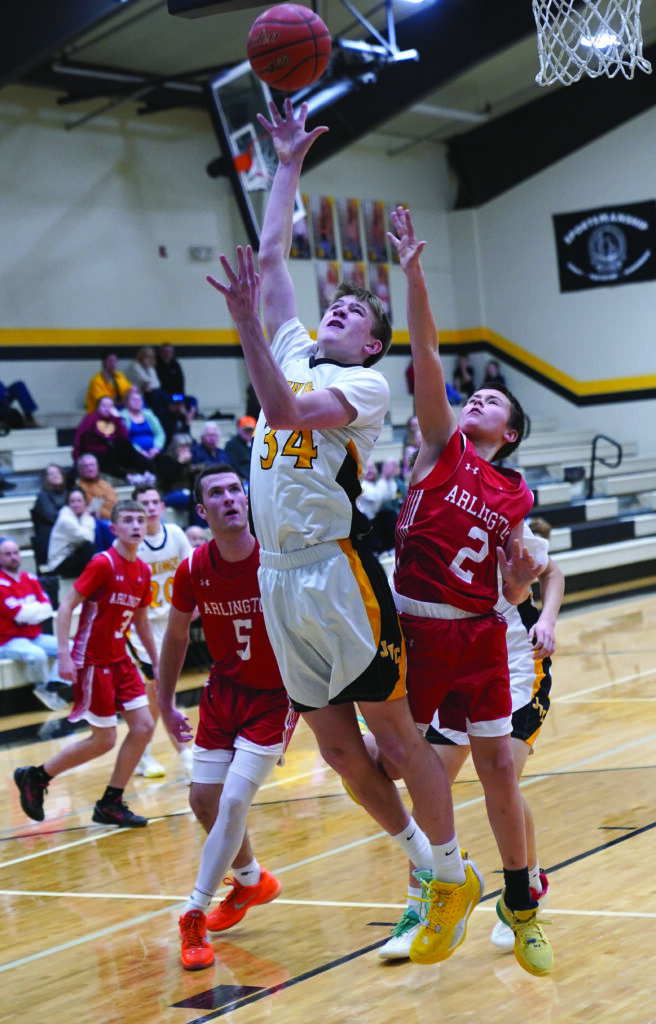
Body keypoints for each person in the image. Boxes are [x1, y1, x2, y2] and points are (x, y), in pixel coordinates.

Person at [207, 98, 480, 969]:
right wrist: (285, 160)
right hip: (277, 580)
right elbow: (277, 253)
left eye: (357, 316)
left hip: (337, 576)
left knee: (394, 738)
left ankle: (451, 871)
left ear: (372, 347)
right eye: (338, 308)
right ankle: (427, 873)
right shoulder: (291, 345)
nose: (338, 312)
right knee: (333, 749)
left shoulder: (364, 394)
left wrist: (247, 325)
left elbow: (283, 409)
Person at [386, 205, 553, 975]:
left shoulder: (516, 495)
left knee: (498, 767)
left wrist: (521, 583)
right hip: (418, 628)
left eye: (492, 404)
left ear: (511, 433)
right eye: (474, 397)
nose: (476, 402)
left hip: (482, 631)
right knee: (402, 763)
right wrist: (415, 272)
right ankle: (445, 880)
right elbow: (424, 350)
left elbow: (518, 578)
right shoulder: (439, 444)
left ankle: (520, 902)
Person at [378, 520, 564, 960]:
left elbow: (552, 571)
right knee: (428, 788)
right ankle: (421, 910)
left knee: (501, 779)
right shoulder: (414, 538)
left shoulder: (490, 517)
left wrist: (549, 621)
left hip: (516, 666)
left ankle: (527, 887)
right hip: (457, 670)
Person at [158, 464, 299, 970]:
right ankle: (249, 880)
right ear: (202, 511)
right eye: (216, 493)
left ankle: (192, 912)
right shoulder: (193, 567)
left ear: (248, 497)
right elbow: (176, 637)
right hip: (222, 692)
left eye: (235, 489)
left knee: (235, 798)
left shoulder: (276, 557)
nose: (229, 498)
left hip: (276, 695)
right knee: (203, 800)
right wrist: (165, 701)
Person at [13, 500, 158, 828]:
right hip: (92, 659)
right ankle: (36, 777)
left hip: (120, 659)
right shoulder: (103, 563)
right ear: (114, 528)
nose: (136, 525)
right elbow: (65, 608)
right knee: (104, 740)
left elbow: (141, 619)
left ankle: (111, 803)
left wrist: (155, 659)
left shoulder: (143, 570)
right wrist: (64, 654)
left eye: (141, 520)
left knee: (145, 726)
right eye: (129, 520)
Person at [127, 482, 193, 780]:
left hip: (171, 626)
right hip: (141, 629)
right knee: (158, 692)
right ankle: (186, 756)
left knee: (159, 694)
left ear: (162, 506)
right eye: (145, 503)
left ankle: (142, 751)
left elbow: (193, 571)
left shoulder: (176, 535)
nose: (151, 508)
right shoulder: (132, 545)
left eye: (155, 502)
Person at [0, 537, 69, 711]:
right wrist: (32, 611)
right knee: (37, 655)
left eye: (16, 552)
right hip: (7, 641)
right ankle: (42, 689)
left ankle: (55, 685)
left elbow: (47, 609)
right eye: (7, 554)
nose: (14, 557)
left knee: (72, 646)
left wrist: (29, 612)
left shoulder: (30, 578)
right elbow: (18, 614)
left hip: (33, 636)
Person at [73, 396, 155, 482]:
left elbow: (124, 437)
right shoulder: (90, 418)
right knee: (101, 460)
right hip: (96, 452)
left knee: (126, 445)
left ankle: (147, 473)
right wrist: (76, 456)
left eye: (110, 406)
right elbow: (79, 437)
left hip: (111, 450)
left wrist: (118, 418)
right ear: (98, 407)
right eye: (104, 406)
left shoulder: (114, 419)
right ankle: (128, 477)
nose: (107, 409)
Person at [45, 488, 96, 579]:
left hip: (71, 555)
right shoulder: (65, 519)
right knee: (88, 547)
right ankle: (91, 580)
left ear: (85, 502)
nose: (76, 504)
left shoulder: (77, 516)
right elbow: (88, 538)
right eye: (72, 501)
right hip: (59, 563)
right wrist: (87, 517)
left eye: (79, 501)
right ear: (68, 504)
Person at [31, 464, 68, 569]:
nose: (55, 476)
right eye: (51, 474)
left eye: (57, 473)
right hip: (51, 537)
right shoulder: (42, 497)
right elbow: (53, 517)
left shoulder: (68, 494)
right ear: (45, 479)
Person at [157, 433, 199, 526]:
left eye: (187, 446)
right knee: (194, 501)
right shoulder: (166, 458)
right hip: (169, 493)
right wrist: (180, 463)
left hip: (187, 491)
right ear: (175, 447)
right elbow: (167, 479)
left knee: (201, 498)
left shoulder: (191, 459)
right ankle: (196, 527)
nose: (185, 449)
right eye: (182, 446)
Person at [119, 387, 166, 459]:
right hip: (133, 452)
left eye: (139, 400)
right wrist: (139, 451)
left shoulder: (149, 414)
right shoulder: (121, 416)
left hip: (154, 450)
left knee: (166, 459)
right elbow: (124, 439)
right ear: (126, 402)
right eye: (134, 400)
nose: (137, 402)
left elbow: (160, 433)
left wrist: (156, 448)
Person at [155, 342, 198, 419]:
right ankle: (161, 416)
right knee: (158, 395)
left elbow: (181, 383)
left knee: (192, 399)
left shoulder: (175, 365)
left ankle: (191, 415)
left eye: (169, 352)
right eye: (165, 352)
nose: (167, 354)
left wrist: (182, 398)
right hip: (163, 395)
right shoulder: (155, 365)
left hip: (175, 396)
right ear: (160, 353)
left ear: (172, 353)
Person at [224, 416, 256, 483]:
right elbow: (233, 466)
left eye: (251, 430)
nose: (248, 432)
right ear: (238, 428)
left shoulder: (256, 443)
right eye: (245, 430)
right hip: (242, 480)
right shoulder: (231, 445)